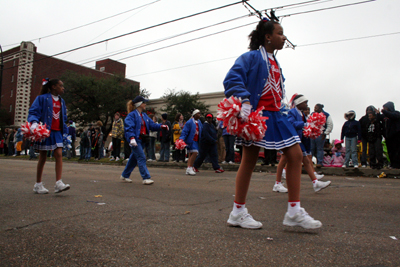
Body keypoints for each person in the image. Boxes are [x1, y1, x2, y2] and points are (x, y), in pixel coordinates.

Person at [223, 18, 323, 230]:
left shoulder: (275, 62)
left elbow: (277, 93)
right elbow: (232, 78)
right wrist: (246, 100)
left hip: (277, 115)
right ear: (268, 37)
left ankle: (294, 211)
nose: (284, 37)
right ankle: (237, 212)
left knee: (296, 156)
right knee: (249, 161)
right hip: (259, 116)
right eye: (280, 33)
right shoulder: (251, 57)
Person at [273, 95, 330, 193]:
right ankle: (277, 184)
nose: (307, 105)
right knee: (283, 160)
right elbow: (291, 123)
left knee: (306, 160)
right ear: (299, 103)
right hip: (290, 139)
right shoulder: (292, 112)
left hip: (298, 140)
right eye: (305, 103)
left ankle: (315, 183)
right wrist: (305, 125)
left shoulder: (302, 114)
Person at [27, 78, 70, 194]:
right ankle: (38, 184)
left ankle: (58, 183)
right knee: (43, 157)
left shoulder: (62, 101)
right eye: (61, 85)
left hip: (58, 132)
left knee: (59, 154)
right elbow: (33, 111)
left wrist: (65, 130)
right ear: (53, 87)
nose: (63, 88)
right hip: (45, 131)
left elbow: (63, 117)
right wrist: (34, 123)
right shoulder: (42, 98)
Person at [120, 96, 167, 185]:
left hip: (142, 141)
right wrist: (131, 138)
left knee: (133, 159)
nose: (145, 104)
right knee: (141, 157)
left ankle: (125, 175)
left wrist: (161, 126)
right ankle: (146, 177)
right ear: (139, 104)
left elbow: (152, 125)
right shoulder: (132, 115)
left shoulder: (144, 115)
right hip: (135, 141)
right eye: (144, 102)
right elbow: (128, 127)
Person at [180, 109, 202, 175]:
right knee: (195, 153)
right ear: (194, 114)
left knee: (190, 155)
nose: (199, 115)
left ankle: (188, 168)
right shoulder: (189, 122)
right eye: (198, 113)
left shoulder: (199, 122)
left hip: (196, 140)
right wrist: (181, 139)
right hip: (191, 140)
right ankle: (190, 167)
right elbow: (185, 131)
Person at [381, 101, 400, 169]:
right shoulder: (384, 116)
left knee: (396, 151)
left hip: (396, 136)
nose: (385, 109)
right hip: (388, 136)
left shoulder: (396, 113)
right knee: (390, 151)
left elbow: (393, 116)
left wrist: (385, 112)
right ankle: (392, 164)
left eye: (386, 108)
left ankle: (397, 165)